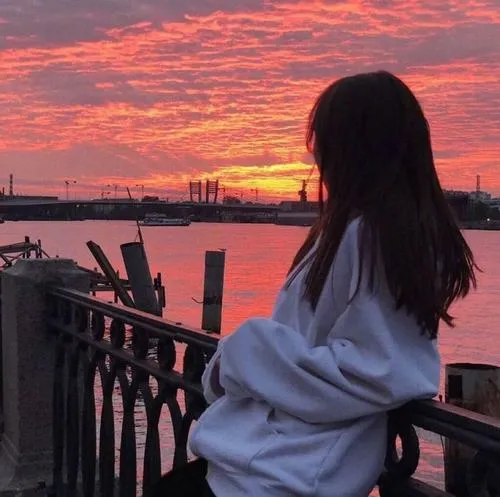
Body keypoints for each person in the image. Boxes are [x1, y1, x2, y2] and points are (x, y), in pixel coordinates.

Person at [148, 71, 477, 497]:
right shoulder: (362, 231)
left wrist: (249, 350)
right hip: (273, 464)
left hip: (285, 471)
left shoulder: (371, 236)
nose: (317, 154)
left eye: (324, 139)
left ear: (356, 147)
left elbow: (381, 370)